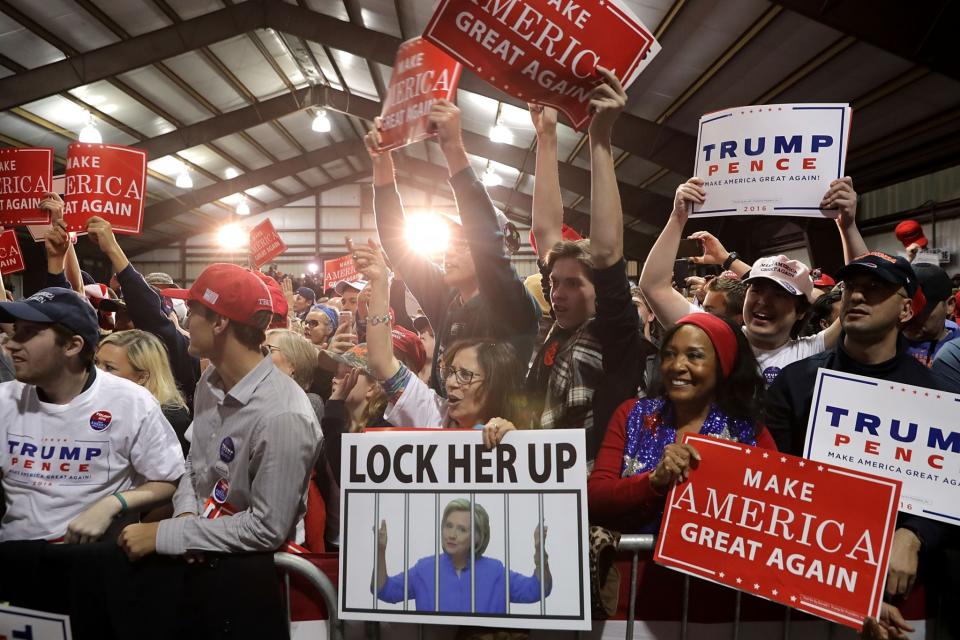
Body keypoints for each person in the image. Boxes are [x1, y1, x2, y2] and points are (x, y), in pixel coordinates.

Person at [764, 251, 954, 601]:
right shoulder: (797, 382)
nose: (858, 295)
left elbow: (948, 489)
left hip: (896, 593)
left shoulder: (935, 398)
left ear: (906, 310)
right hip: (804, 577)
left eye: (876, 287)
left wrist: (914, 535)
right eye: (851, 286)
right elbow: (767, 474)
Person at [116, 263, 321, 560]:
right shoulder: (210, 382)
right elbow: (194, 464)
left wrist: (170, 534)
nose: (186, 323)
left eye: (192, 309)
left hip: (249, 579)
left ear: (219, 323)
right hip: (203, 561)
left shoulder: (284, 415)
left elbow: (266, 527)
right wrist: (186, 515)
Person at [522, 69, 656, 461]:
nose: (556, 293)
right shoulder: (559, 336)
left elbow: (609, 252)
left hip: (594, 493)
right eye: (554, 283)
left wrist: (600, 139)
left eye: (573, 285)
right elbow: (545, 230)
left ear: (602, 290)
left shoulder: (614, 335)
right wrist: (546, 135)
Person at [367, 99, 540, 396]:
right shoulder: (446, 296)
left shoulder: (512, 303)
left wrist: (452, 148)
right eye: (451, 241)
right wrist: (382, 165)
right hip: (451, 432)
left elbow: (485, 237)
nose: (450, 250)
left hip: (496, 435)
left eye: (463, 243)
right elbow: (396, 245)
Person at [638, 177, 868, 384]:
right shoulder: (719, 337)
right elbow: (654, 287)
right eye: (756, 289)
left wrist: (847, 226)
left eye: (779, 294)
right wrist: (678, 217)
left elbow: (862, 293)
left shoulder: (813, 351)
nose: (763, 301)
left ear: (800, 311)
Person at [0, 288, 184, 544]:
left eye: (28, 333)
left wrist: (113, 504)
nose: (10, 343)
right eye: (14, 330)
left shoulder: (131, 402)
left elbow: (170, 481)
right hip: (15, 558)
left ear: (72, 345)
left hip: (92, 562)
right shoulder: (4, 400)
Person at [588, 313, 775, 533]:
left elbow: (772, 516)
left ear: (722, 364)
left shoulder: (749, 433)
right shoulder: (632, 415)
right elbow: (594, 498)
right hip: (629, 566)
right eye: (669, 354)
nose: (677, 366)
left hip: (710, 566)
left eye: (694, 356)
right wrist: (652, 482)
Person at [352, 237, 524, 438]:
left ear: (494, 383)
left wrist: (514, 440)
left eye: (465, 375)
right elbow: (381, 361)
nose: (450, 382)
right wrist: (380, 281)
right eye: (450, 371)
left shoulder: (518, 430)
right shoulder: (433, 413)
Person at [85, 214, 201, 411]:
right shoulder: (105, 346)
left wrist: (113, 249)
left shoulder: (177, 352)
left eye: (130, 315)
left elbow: (149, 314)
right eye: (119, 313)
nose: (120, 321)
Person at [374, 499, 551, 613]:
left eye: (462, 529)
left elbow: (538, 590)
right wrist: (380, 551)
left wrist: (539, 552)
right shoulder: (425, 569)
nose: (452, 535)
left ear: (478, 537)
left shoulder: (495, 571)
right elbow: (383, 591)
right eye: (448, 525)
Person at [96, 330, 191, 454]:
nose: (97, 372)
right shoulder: (95, 403)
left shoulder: (170, 419)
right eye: (96, 362)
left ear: (142, 377)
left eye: (109, 367)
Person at [903, 262, 958, 366]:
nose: (910, 316)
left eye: (922, 309)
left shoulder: (956, 352)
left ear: (950, 305)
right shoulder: (881, 341)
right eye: (905, 306)